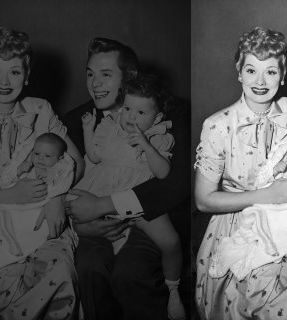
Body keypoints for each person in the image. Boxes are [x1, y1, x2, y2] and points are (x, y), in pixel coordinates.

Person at [193, 26, 287, 320]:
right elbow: (204, 200)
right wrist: (264, 195)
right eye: (251, 70)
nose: (260, 81)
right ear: (239, 72)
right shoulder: (217, 125)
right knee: (250, 295)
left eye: (271, 72)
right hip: (240, 223)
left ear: (282, 76)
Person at [63, 37, 190, 320]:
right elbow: (58, 186)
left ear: (130, 77)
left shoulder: (171, 114)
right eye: (90, 74)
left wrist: (105, 205)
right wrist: (80, 226)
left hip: (149, 219)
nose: (95, 84)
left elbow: (173, 186)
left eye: (106, 75)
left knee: (131, 273)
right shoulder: (74, 121)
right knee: (89, 268)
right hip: (96, 229)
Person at [0, 26, 84, 319]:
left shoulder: (40, 109)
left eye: (13, 72)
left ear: (27, 73)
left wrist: (56, 197)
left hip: (39, 218)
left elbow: (76, 162)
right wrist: (7, 194)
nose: (4, 82)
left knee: (57, 270)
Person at [211, 132, 287, 279]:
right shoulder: (284, 168)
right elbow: (263, 183)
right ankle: (255, 239)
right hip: (274, 205)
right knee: (260, 218)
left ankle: (269, 249)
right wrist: (275, 171)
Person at [1, 133, 74, 262]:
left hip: (38, 206)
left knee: (36, 225)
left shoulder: (58, 171)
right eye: (36, 154)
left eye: (47, 156)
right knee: (4, 213)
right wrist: (20, 170)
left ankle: (20, 243)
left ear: (59, 158)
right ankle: (8, 237)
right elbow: (10, 182)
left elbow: (61, 186)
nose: (40, 159)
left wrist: (51, 180)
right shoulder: (30, 168)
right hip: (19, 202)